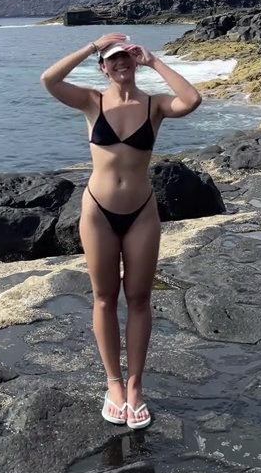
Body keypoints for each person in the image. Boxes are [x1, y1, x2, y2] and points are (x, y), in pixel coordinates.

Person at [40, 33, 202, 429]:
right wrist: (91, 46)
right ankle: (113, 383)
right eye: (112, 59)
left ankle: (134, 387)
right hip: (98, 212)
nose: (120, 63)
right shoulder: (91, 101)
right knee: (104, 298)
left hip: (142, 213)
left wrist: (154, 61)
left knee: (140, 299)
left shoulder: (154, 105)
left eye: (125, 57)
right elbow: (49, 79)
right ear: (103, 68)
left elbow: (192, 99)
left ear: (134, 61)